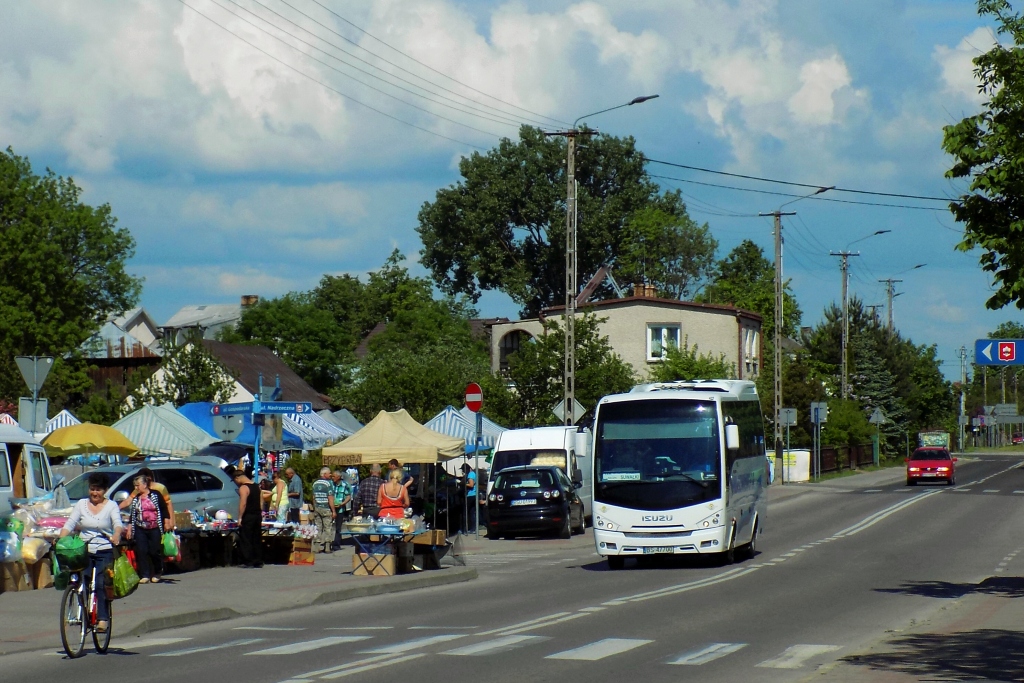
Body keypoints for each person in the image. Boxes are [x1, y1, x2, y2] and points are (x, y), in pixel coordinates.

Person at [60, 472, 122, 633]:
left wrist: (116, 535)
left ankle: (102, 618)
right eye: (92, 489)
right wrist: (61, 539)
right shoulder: (81, 504)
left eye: (98, 490)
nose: (94, 493)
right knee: (84, 581)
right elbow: (70, 523)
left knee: (101, 584)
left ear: (105, 490)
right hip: (84, 549)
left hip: (104, 549)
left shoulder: (111, 506)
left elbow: (117, 524)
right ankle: (85, 610)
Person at [125, 474, 168, 584]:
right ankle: (145, 575)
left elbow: (163, 509)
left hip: (154, 527)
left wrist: (167, 522)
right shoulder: (136, 499)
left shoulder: (155, 495)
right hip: (140, 528)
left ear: (144, 485)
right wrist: (130, 528)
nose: (136, 488)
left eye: (137, 485)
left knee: (154, 551)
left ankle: (158, 571)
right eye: (135, 486)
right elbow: (133, 515)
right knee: (142, 551)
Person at [119, 466, 175, 533]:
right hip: (143, 524)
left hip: (158, 522)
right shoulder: (138, 489)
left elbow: (168, 504)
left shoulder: (160, 488)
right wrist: (116, 508)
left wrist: (171, 521)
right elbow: (128, 501)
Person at [229, 467, 263, 568]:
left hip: (248, 515)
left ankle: (248, 560)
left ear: (238, 477)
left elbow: (243, 503)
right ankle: (258, 560)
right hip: (257, 515)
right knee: (256, 538)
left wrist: (240, 517)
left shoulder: (243, 488)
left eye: (235, 480)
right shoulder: (257, 486)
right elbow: (261, 501)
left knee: (246, 538)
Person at [311, 467, 334, 553]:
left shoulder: (315, 483)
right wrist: (333, 511)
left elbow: (313, 497)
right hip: (326, 508)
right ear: (324, 474)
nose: (330, 475)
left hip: (317, 507)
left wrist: (314, 507)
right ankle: (327, 546)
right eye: (329, 473)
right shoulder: (328, 484)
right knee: (328, 527)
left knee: (318, 527)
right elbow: (330, 498)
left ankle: (316, 546)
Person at [330, 469, 351, 551]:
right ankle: (328, 543)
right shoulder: (331, 485)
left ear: (338, 477)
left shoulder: (345, 485)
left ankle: (336, 544)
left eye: (334, 476)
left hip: (340, 509)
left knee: (338, 527)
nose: (332, 478)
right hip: (331, 508)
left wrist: (343, 503)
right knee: (328, 527)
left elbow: (349, 496)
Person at [461, 463, 478, 533]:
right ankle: (473, 528)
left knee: (465, 512)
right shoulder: (473, 473)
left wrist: (463, 484)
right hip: (474, 494)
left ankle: (465, 529)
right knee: (472, 512)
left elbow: (471, 485)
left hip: (470, 495)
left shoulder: (470, 474)